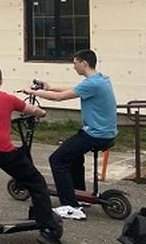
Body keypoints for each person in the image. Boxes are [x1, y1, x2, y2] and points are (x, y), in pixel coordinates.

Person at [0, 63, 68, 244]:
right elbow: (32, 110)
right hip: (2, 151)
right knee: (36, 181)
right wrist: (41, 113)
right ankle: (47, 229)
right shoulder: (8, 99)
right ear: (0, 81)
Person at [24, 49, 118, 221]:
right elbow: (74, 90)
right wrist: (49, 87)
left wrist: (33, 92)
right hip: (104, 132)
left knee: (57, 160)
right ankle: (78, 193)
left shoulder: (92, 84)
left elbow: (59, 98)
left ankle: (71, 206)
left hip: (96, 134)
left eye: (75, 63)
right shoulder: (100, 79)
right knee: (73, 156)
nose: (73, 66)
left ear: (84, 63)